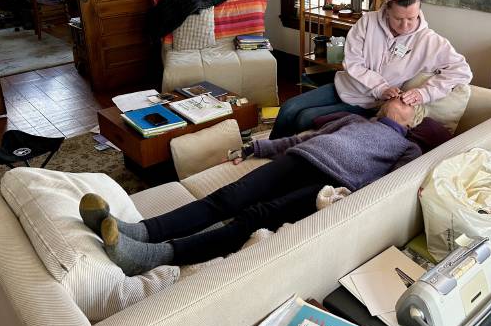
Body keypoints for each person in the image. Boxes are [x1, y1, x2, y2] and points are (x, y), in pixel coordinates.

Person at [79, 97, 422, 276]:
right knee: (228, 197)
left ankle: (154, 256)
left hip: (331, 184)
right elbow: (305, 137)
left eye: (409, 101)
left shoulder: (408, 148)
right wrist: (255, 147)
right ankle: (139, 231)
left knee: (254, 217)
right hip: (300, 157)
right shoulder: (355, 119)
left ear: (414, 119)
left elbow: (393, 186)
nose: (402, 98)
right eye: (401, 94)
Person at [269, 0, 472, 139]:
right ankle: (260, 155)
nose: (406, 26)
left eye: (412, 18)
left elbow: (461, 71)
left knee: (305, 118)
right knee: (289, 107)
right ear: (386, 9)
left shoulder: (429, 41)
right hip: (345, 87)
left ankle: (281, 156)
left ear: (419, 9)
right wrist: (380, 86)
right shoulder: (368, 22)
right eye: (398, 19)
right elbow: (353, 62)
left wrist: (424, 94)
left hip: (370, 104)